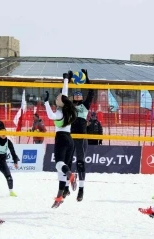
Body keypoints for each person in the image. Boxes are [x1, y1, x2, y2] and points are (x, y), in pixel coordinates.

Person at [44, 71, 78, 208]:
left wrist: (46, 102)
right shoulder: (69, 110)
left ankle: (70, 175)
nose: (56, 99)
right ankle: (60, 195)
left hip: (61, 139)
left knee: (59, 164)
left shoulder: (59, 113)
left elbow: (50, 115)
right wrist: (65, 80)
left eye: (57, 99)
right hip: (70, 140)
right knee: (62, 169)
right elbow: (64, 94)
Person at [66, 69, 94, 202]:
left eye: (79, 94)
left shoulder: (85, 105)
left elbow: (92, 91)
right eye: (75, 94)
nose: (77, 95)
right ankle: (66, 187)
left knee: (81, 163)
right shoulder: (69, 105)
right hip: (70, 137)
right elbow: (62, 94)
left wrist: (87, 78)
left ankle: (81, 189)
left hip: (81, 137)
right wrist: (67, 79)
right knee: (68, 162)